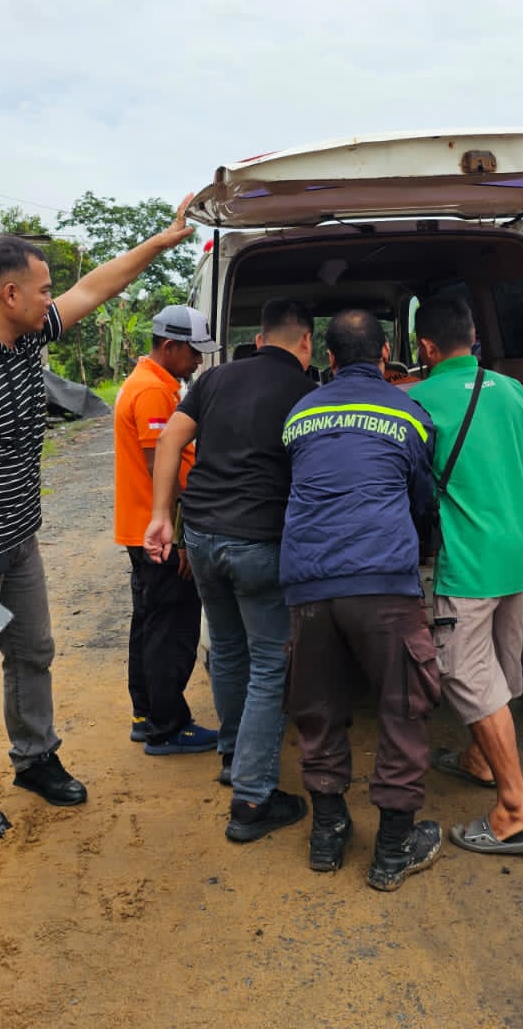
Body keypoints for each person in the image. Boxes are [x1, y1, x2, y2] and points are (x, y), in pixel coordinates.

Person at [0, 197, 196, 845]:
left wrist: (160, 242)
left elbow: (96, 287)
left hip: (18, 546)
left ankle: (35, 758)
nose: (53, 300)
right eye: (43, 291)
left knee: (32, 648)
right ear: (9, 293)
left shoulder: (28, 334)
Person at [280, 310, 444, 890]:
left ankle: (328, 834)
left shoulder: (300, 413)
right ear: (385, 356)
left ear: (327, 358)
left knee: (317, 709)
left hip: (308, 582)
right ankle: (393, 851)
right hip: (382, 581)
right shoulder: (410, 414)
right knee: (402, 708)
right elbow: (423, 499)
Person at [408, 294, 523, 856]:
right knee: (504, 656)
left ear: (426, 348)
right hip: (518, 550)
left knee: (459, 668)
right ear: (473, 338)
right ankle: (480, 758)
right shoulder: (513, 391)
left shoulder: (417, 398)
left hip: (468, 556)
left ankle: (514, 803)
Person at [145, 299, 316, 843]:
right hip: (258, 541)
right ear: (306, 345)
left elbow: (171, 439)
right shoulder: (307, 394)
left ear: (260, 339)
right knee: (269, 664)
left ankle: (231, 754)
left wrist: (160, 517)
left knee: (227, 649)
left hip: (201, 536)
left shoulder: (214, 378)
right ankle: (252, 798)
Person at [114, 305, 221, 755]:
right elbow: (166, 469)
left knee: (149, 622)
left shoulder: (145, 383)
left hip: (139, 529)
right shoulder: (155, 393)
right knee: (171, 630)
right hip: (159, 533)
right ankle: (167, 726)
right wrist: (179, 537)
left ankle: (146, 714)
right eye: (194, 353)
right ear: (170, 346)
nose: (198, 362)